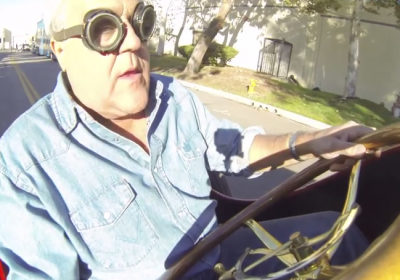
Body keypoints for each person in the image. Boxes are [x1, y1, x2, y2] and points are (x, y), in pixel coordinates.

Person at [0, 0, 372, 279]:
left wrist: (308, 142)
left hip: (228, 254)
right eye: (104, 30)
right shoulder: (23, 160)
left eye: (139, 22)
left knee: (342, 233)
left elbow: (231, 148)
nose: (132, 43)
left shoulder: (173, 97)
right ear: (60, 51)